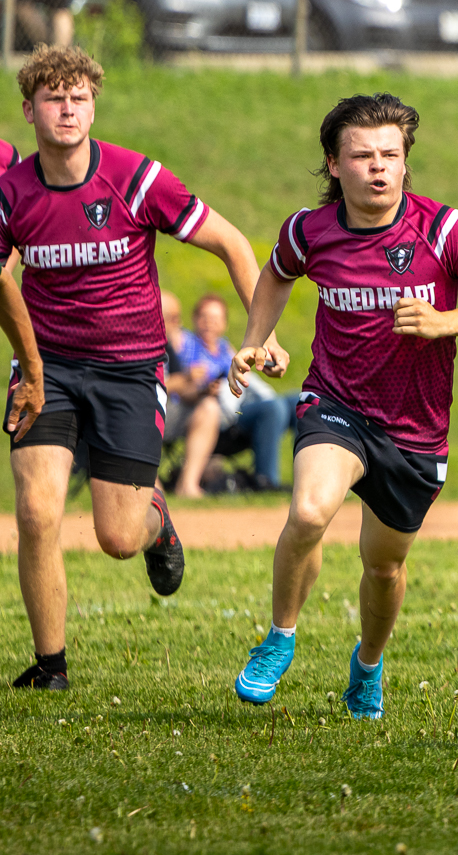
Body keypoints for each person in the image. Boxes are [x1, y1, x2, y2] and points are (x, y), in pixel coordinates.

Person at [229, 93, 458, 718]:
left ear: (405, 160)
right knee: (309, 512)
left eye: (390, 154)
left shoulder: (446, 230)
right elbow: (278, 273)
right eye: (362, 156)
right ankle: (279, 638)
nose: (379, 167)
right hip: (336, 402)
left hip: (415, 428)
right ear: (335, 165)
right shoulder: (309, 231)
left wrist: (446, 322)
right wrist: (256, 339)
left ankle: (367, 666)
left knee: (383, 568)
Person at [1, 44, 282, 691]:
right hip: (48, 368)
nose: (66, 109)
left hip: (130, 370)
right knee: (38, 510)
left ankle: (156, 519)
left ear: (94, 106)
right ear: (29, 110)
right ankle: (52, 666)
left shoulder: (135, 178)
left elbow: (232, 243)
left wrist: (258, 333)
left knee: (118, 537)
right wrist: (30, 365)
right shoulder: (10, 194)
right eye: (53, 98)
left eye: (78, 97)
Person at [171, 294, 238, 499]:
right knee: (208, 406)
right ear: (194, 319)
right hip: (180, 405)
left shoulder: (227, 350)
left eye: (215, 319)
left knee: (210, 407)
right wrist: (188, 377)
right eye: (204, 317)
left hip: (219, 408)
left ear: (224, 324)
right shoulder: (186, 342)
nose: (209, 324)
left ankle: (188, 485)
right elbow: (169, 324)